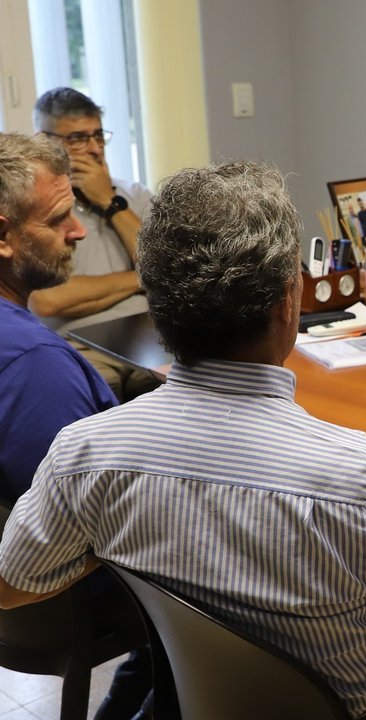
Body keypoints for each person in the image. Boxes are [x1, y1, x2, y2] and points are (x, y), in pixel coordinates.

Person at [0, 161, 366, 720]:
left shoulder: (84, 457)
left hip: (202, 699)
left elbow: (14, 586)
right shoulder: (365, 476)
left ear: (156, 304)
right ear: (287, 300)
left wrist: (108, 535)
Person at [0, 131, 152, 720]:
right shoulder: (34, 366)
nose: (80, 231)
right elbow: (96, 520)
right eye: (60, 218)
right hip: (63, 598)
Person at [30, 87, 157, 401]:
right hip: (82, 344)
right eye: (77, 138)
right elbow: (48, 300)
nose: (94, 149)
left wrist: (111, 203)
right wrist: (141, 279)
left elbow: (165, 267)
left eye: (98, 136)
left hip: (150, 336)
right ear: (45, 142)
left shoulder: (136, 196)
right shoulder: (39, 207)